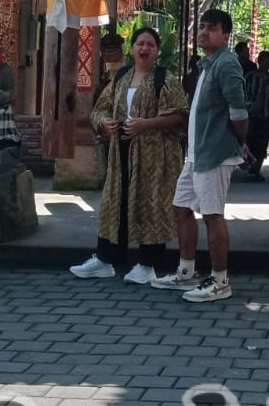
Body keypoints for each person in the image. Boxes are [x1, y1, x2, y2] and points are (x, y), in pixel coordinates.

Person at [71, 27, 187, 285]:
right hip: (120, 152)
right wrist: (105, 122)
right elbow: (99, 108)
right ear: (132, 48)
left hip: (154, 157)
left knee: (151, 204)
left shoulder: (165, 79)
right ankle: (105, 259)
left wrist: (147, 124)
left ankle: (147, 264)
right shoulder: (121, 76)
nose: (144, 49)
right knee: (115, 202)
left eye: (150, 45)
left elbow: (180, 115)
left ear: (157, 51)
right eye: (140, 44)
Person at [153, 9, 248, 303]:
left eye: (212, 28)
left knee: (212, 215)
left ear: (226, 34)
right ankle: (186, 272)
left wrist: (239, 141)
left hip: (215, 154)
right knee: (182, 207)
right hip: (196, 154)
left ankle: (220, 281)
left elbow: (239, 111)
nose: (203, 32)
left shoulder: (227, 63)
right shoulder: (208, 63)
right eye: (202, 27)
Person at [243, 50, 269, 181]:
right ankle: (250, 167)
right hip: (250, 115)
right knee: (250, 141)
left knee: (262, 144)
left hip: (266, 115)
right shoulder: (249, 77)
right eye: (263, 61)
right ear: (258, 61)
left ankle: (257, 170)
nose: (265, 64)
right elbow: (242, 94)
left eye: (268, 62)